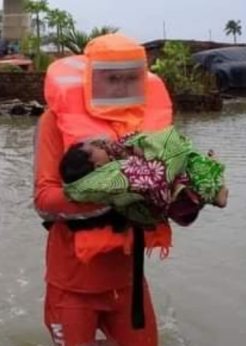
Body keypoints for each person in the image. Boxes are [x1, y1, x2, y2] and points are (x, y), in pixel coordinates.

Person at [35, 33, 196, 346]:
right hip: (72, 286)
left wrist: (192, 194)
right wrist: (116, 190)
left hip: (128, 282)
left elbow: (174, 206)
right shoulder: (54, 123)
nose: (122, 87)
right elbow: (44, 201)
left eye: (130, 78)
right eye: (112, 78)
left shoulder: (148, 132)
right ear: (90, 79)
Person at [59, 131, 228, 231]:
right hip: (173, 196)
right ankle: (217, 191)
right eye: (95, 148)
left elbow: (129, 146)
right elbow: (152, 177)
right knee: (187, 163)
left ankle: (214, 185)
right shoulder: (112, 178)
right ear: (97, 165)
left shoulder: (110, 163)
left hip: (168, 200)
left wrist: (137, 144)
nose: (99, 144)